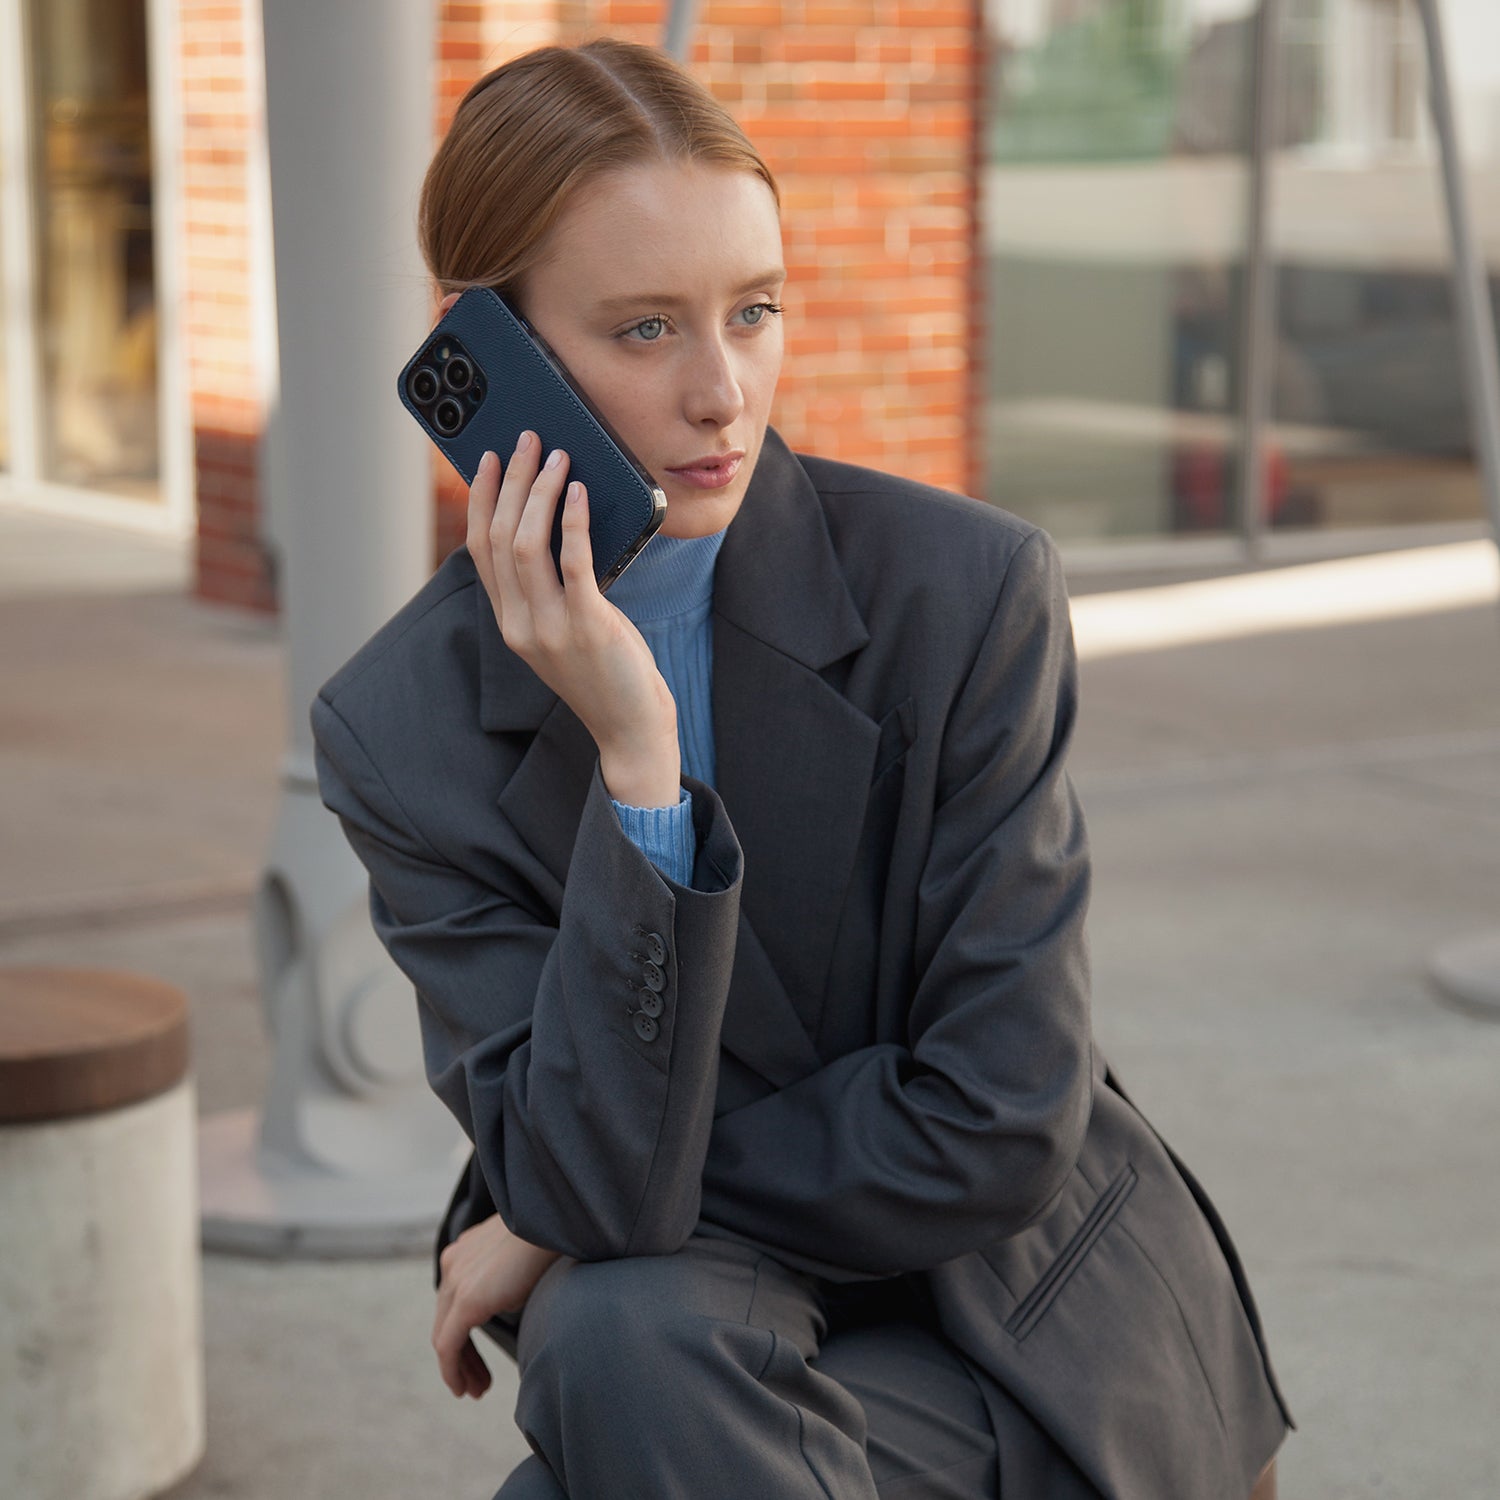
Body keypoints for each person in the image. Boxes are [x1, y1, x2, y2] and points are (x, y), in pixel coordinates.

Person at [312, 36, 1291, 1500]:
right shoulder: (403, 727)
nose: (723, 392)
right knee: (621, 1331)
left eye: (754, 312)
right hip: (710, 1342)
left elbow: (997, 1113)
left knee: (599, 1355)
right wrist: (639, 764)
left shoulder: (958, 593)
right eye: (646, 329)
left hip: (1025, 1338)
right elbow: (575, 1170)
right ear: (491, 354)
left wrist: (574, 1222)